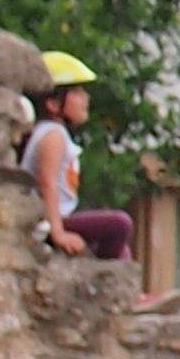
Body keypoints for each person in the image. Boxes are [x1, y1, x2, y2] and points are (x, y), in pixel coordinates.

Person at [24, 55, 135, 268]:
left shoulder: (55, 133)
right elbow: (47, 183)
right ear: (53, 103)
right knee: (120, 224)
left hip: (59, 217)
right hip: (46, 223)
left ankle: (131, 291)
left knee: (122, 244)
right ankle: (100, 272)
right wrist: (58, 233)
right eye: (76, 92)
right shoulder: (53, 135)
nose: (86, 98)